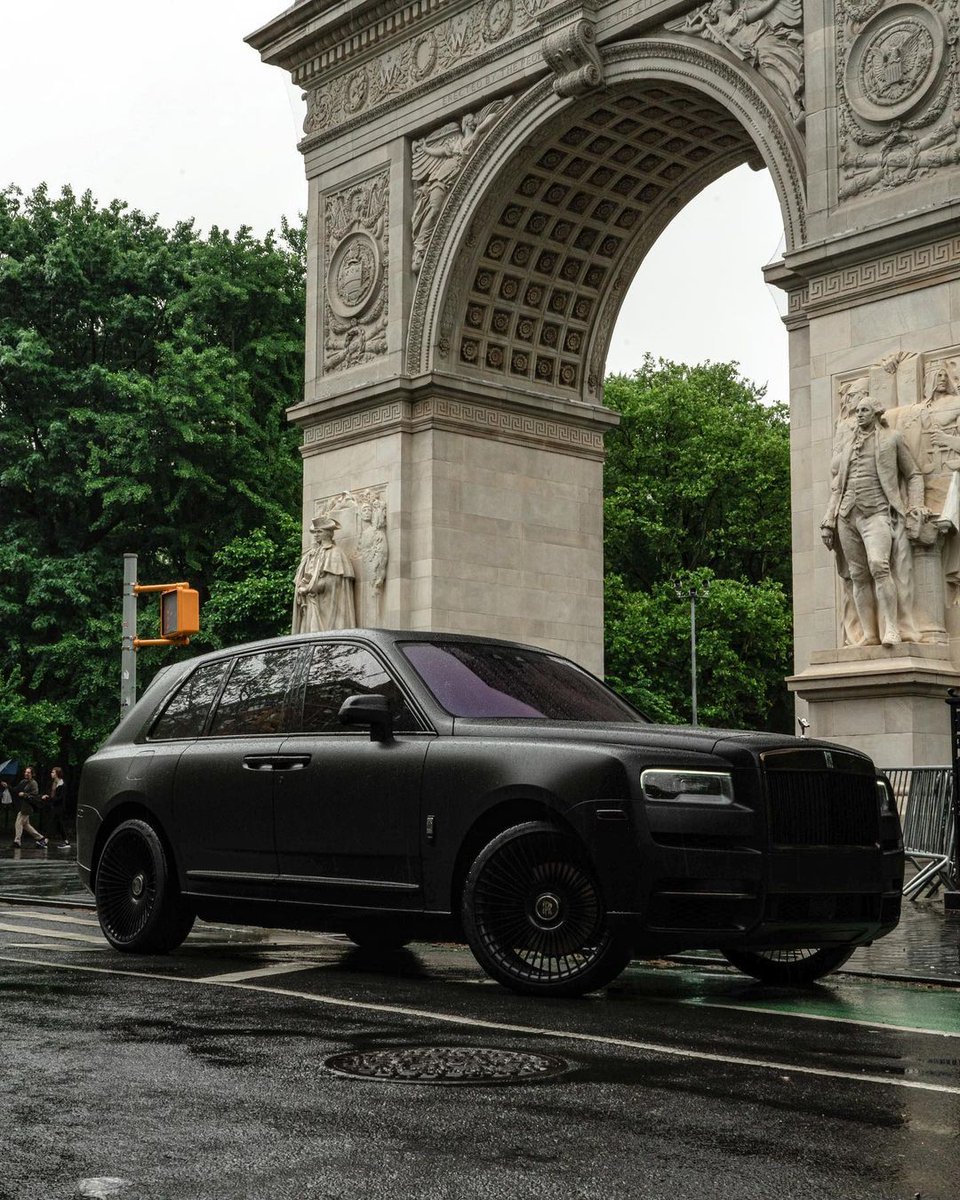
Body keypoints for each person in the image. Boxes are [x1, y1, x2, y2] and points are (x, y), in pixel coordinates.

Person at [821, 393, 924, 647]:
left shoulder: (892, 439)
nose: (859, 414)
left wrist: (916, 505)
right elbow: (838, 488)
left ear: (876, 413)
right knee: (857, 575)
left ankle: (892, 628)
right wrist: (828, 520)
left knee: (879, 566)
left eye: (864, 410)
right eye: (857, 411)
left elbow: (913, 474)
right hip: (847, 516)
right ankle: (869, 634)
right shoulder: (847, 448)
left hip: (877, 513)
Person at [292, 516, 357, 633]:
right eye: (315, 532)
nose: (316, 535)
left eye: (319, 531)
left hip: (326, 607)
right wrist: (302, 584)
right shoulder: (311, 554)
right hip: (311, 603)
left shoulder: (335, 553)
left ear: (327, 533)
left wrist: (308, 588)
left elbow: (332, 583)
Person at [13, 766, 46, 848]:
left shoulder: (33, 783)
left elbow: (35, 795)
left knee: (18, 822)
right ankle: (41, 838)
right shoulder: (23, 781)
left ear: (32, 774)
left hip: (28, 807)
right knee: (26, 825)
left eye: (28, 772)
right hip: (22, 806)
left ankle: (17, 841)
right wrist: (7, 786)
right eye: (25, 772)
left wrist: (24, 794)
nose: (26, 773)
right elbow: (16, 789)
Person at [42, 766, 70, 849]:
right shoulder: (54, 783)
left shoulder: (62, 784)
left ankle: (45, 841)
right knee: (59, 825)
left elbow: (60, 798)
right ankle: (67, 842)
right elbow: (53, 796)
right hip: (55, 806)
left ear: (57, 774)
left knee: (51, 823)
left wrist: (48, 798)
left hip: (59, 807)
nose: (51, 773)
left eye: (53, 772)